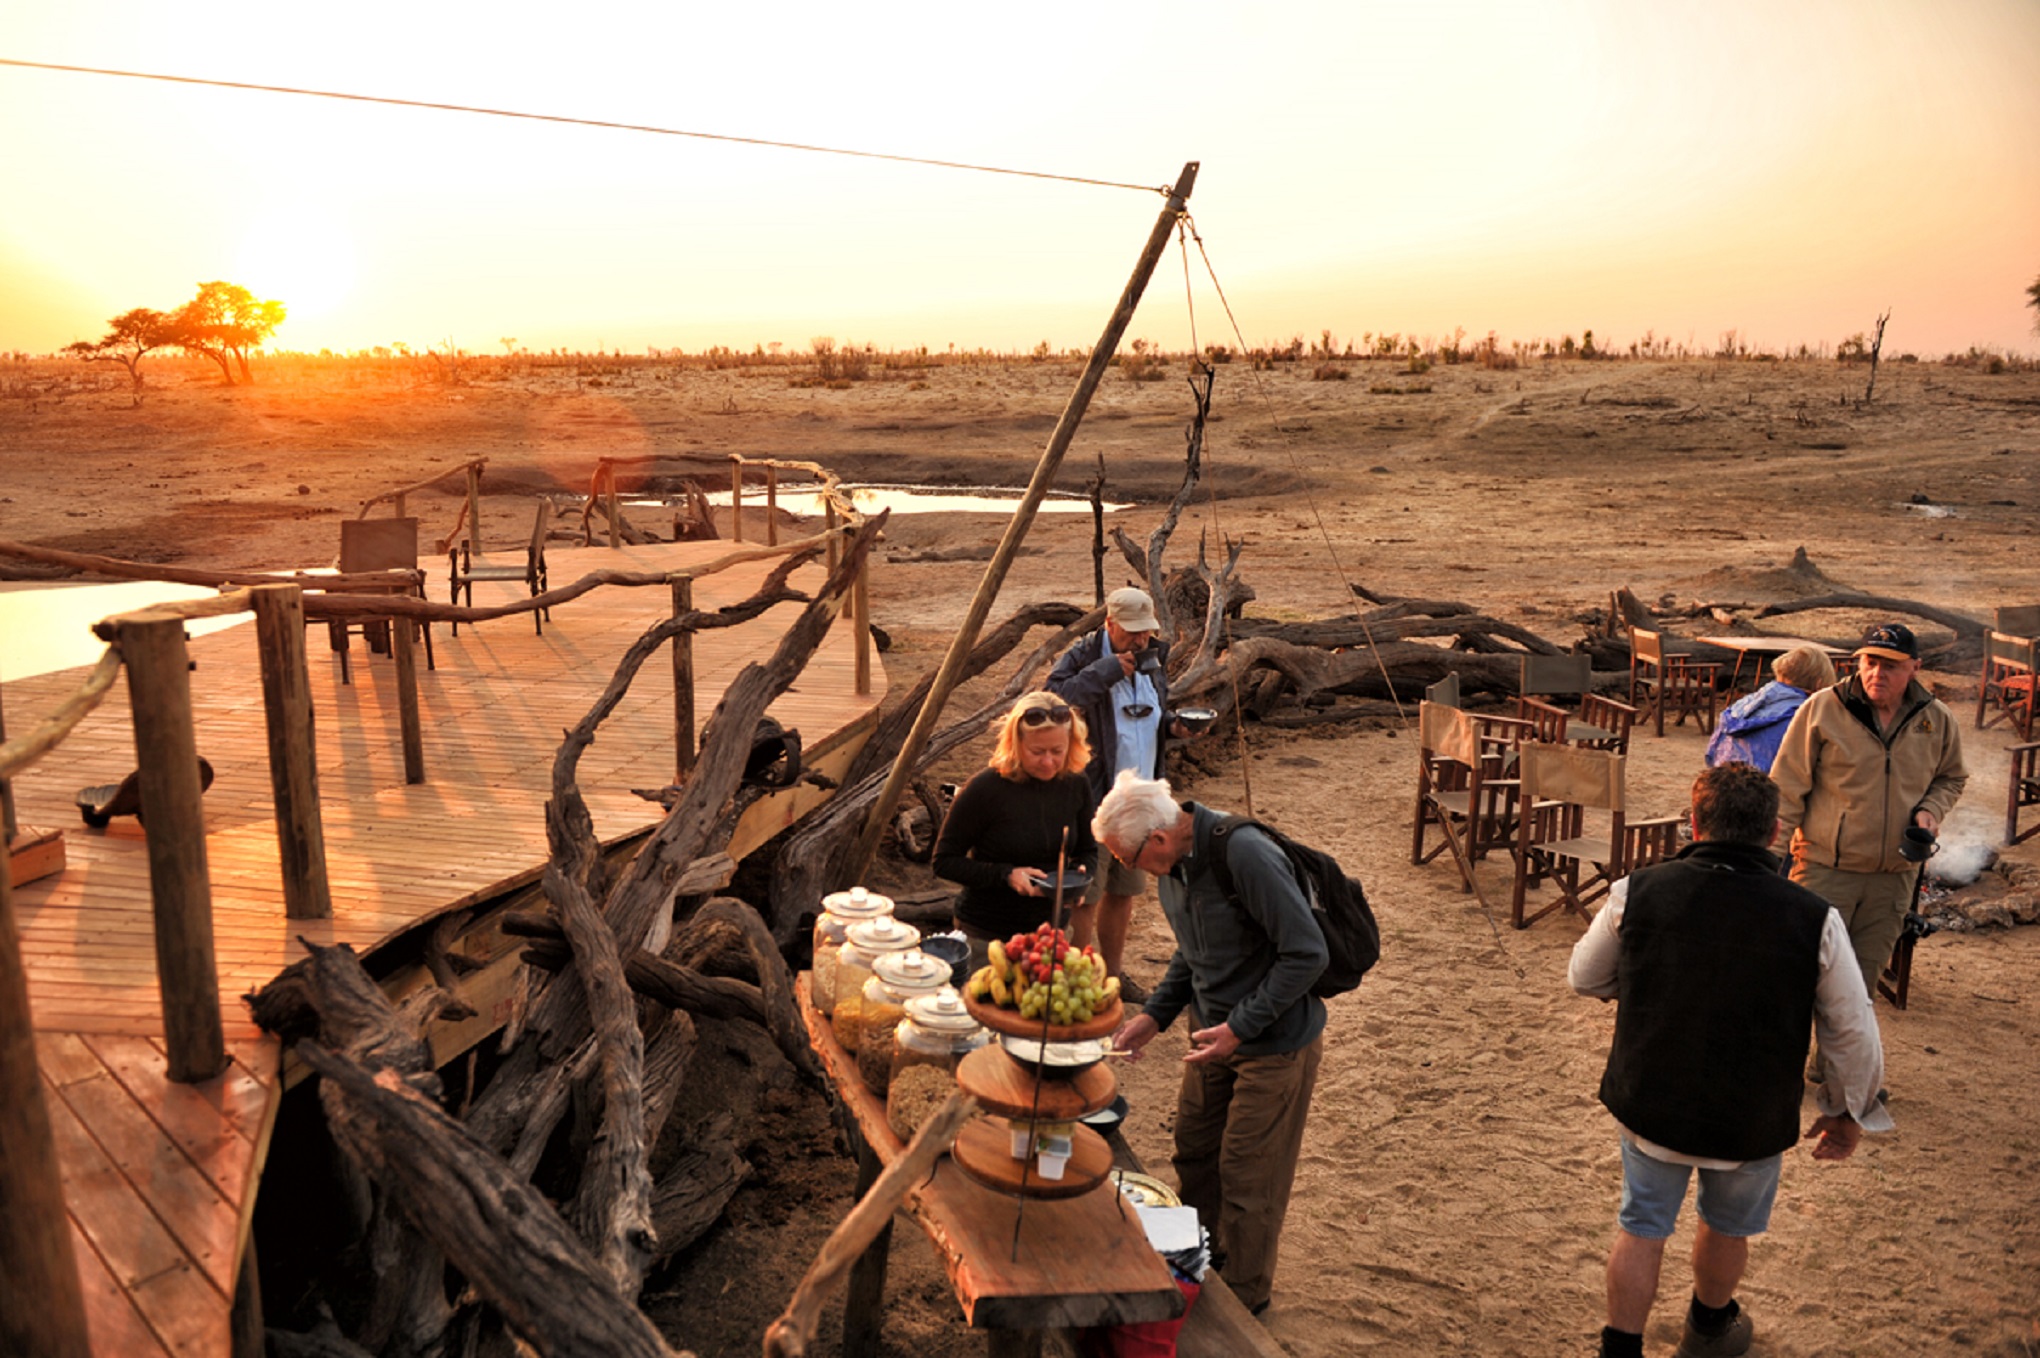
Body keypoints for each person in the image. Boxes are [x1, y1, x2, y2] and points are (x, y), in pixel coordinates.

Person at [1570, 762, 1893, 1358]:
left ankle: (1621, 1350)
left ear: (1696, 822)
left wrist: (1644, 983)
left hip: (1652, 1098)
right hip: (1750, 1113)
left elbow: (1584, 978)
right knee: (1726, 1225)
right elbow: (1852, 1029)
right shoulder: (1815, 916)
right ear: (1774, 832)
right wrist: (1848, 1111)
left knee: (1642, 1225)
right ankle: (1709, 1329)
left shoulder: (1638, 890)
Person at [1099, 770, 1327, 1317]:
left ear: (1155, 839)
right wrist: (1155, 1016)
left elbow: (1307, 953)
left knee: (1250, 1178)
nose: (1129, 870)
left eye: (1128, 860)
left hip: (1272, 1044)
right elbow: (1191, 951)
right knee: (1195, 1152)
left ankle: (1244, 1301)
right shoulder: (1174, 864)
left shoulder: (1243, 854)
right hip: (1211, 1037)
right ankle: (1200, 1264)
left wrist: (1241, 1027)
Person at [1769, 622, 1968, 1004]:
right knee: (1800, 984)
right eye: (1870, 662)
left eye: (1890, 665)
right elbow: (1786, 789)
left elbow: (1951, 777)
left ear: (1915, 667)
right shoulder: (1822, 708)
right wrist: (1768, 860)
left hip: (1893, 881)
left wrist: (1931, 808)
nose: (1878, 673)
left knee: (1857, 998)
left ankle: (1829, 1068)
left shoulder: (1936, 719)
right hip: (1824, 872)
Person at [1046, 586, 1194, 990]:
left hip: (1144, 801)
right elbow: (1055, 701)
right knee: (1085, 895)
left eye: (1146, 631)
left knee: (1122, 891)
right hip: (1096, 802)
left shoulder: (1153, 660)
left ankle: (1111, 974)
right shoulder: (1084, 657)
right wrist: (1108, 669)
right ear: (1109, 623)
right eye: (1131, 632)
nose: (1140, 640)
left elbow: (1150, 717)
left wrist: (1174, 727)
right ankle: (1079, 977)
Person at [932, 692, 1100, 964]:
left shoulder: (1076, 784)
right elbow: (944, 862)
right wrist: (1006, 875)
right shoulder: (985, 789)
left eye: (1058, 751)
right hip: (986, 935)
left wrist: (1081, 876)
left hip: (1051, 932)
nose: (1049, 762)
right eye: (1037, 752)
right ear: (1015, 743)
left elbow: (1088, 850)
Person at [1703, 645, 1836, 773]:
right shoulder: (1808, 716)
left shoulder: (1742, 706)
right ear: (1819, 684)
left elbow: (1711, 753)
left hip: (1721, 784)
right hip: (1770, 791)